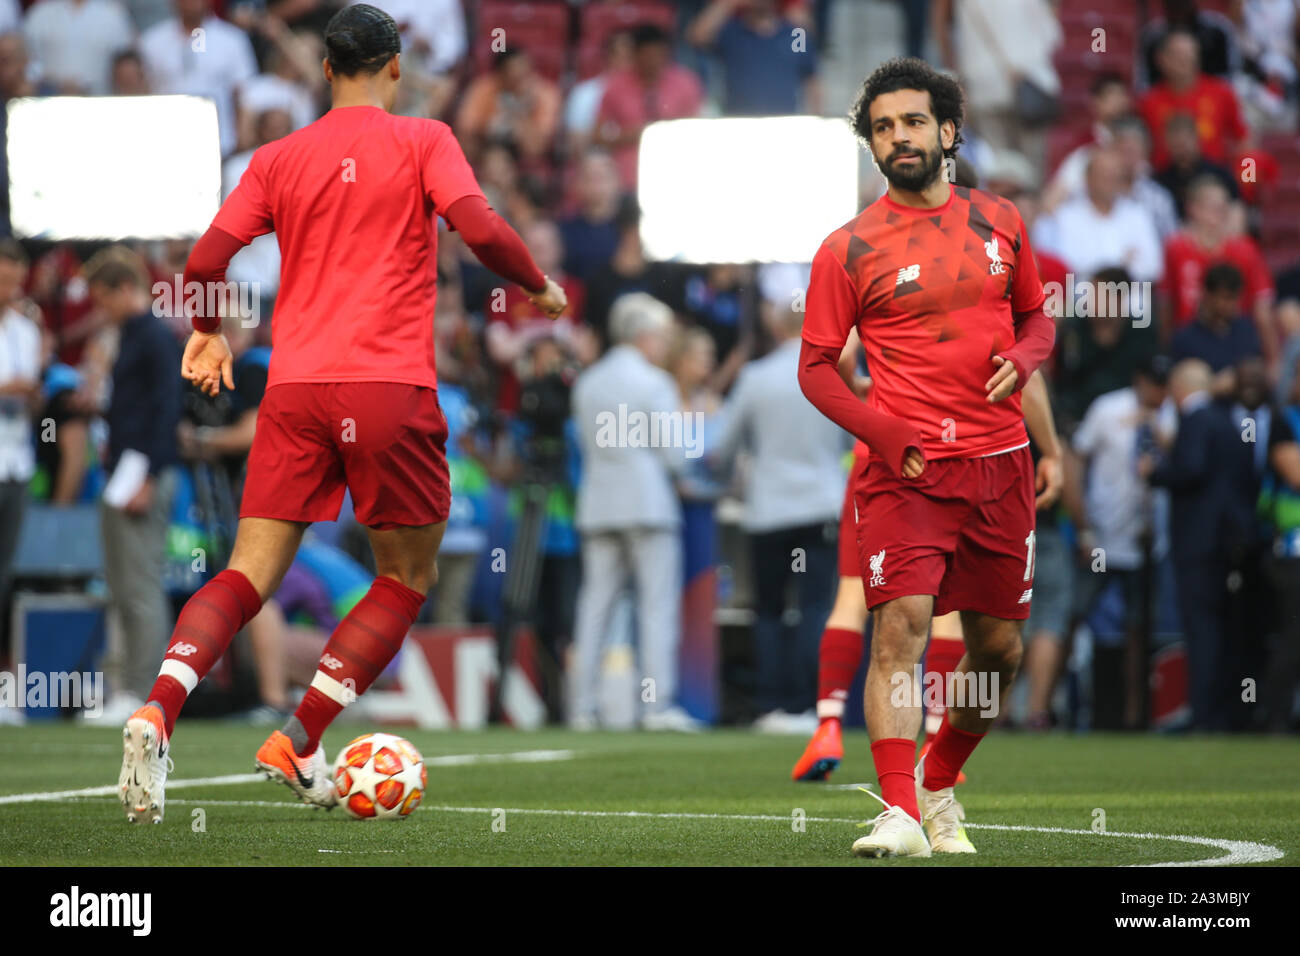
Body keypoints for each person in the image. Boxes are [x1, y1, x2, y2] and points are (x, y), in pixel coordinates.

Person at [117, 4, 567, 824]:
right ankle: (299, 734)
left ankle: (156, 709)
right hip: (386, 387)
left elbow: (208, 258)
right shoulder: (426, 139)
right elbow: (481, 229)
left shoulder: (280, 155)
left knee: (246, 575)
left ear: (323, 70)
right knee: (406, 575)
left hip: (292, 391)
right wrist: (537, 285)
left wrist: (210, 333)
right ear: (396, 66)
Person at [797, 58, 1055, 857]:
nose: (897, 137)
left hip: (1001, 466)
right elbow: (813, 369)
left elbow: (1038, 318)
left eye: (911, 122)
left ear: (947, 131)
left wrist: (1030, 355)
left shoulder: (1002, 220)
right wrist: (883, 432)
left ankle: (941, 781)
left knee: (998, 652)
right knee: (900, 630)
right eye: (882, 127)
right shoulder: (845, 248)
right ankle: (900, 811)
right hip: (903, 474)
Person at [710, 300, 847, 732]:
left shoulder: (755, 377)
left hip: (770, 511)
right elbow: (850, 437)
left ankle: (770, 705)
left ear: (774, 323)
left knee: (767, 609)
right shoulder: (829, 376)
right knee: (815, 607)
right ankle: (809, 705)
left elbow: (723, 447)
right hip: (821, 506)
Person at [569, 292, 698, 732]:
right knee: (655, 606)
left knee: (595, 607)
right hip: (648, 503)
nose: (664, 345)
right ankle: (656, 706)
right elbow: (676, 456)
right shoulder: (654, 382)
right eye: (660, 336)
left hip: (600, 501)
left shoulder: (589, 382)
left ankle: (582, 707)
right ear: (643, 335)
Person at [87, 246, 182, 725]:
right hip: (125, 471)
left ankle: (146, 693)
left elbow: (167, 410)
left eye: (103, 299)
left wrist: (145, 474)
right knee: (124, 585)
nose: (100, 310)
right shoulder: (129, 335)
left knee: (140, 585)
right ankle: (126, 687)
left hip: (141, 473)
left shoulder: (155, 338)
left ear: (126, 289)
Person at [1144, 359, 1255, 732]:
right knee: (1224, 628)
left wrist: (1155, 471)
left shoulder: (1194, 420)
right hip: (1229, 542)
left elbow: (1191, 470)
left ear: (1178, 387)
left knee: (1201, 629)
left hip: (1198, 543)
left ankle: (1204, 715)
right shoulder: (1230, 422)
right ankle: (1226, 712)